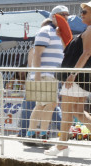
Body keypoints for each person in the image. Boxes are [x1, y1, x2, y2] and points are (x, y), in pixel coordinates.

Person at [45, 0, 91, 157]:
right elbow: (75, 49)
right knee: (77, 111)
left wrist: (73, 74)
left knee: (67, 110)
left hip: (78, 78)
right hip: (82, 78)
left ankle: (62, 145)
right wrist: (62, 37)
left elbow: (86, 53)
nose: (82, 14)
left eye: (85, 12)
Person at [25, 5, 68, 146]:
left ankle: (32, 134)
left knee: (42, 105)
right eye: (63, 15)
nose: (66, 17)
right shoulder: (46, 31)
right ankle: (41, 134)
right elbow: (37, 54)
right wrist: (37, 75)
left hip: (50, 75)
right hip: (45, 74)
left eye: (67, 15)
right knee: (48, 105)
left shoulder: (57, 33)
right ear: (54, 16)